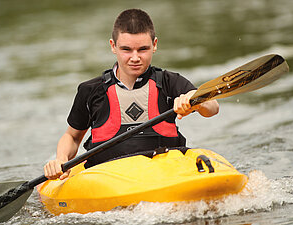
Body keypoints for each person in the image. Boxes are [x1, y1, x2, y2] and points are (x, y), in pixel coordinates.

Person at [43, 8, 219, 180]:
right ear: (113, 46)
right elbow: (72, 137)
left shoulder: (169, 82)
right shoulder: (90, 90)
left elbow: (213, 107)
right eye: (127, 50)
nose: (135, 57)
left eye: (142, 49)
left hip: (165, 173)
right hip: (108, 177)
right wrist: (61, 159)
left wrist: (195, 100)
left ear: (154, 45)